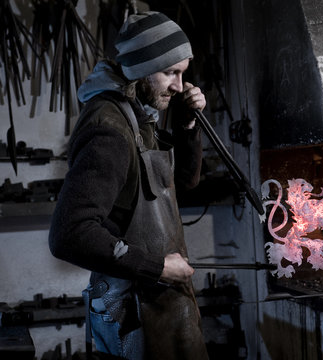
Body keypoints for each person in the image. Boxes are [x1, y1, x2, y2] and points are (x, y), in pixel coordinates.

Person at [49, 11, 209, 360]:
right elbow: (69, 234)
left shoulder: (138, 115)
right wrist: (159, 268)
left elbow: (184, 183)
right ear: (140, 68)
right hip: (133, 309)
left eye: (182, 74)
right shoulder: (109, 128)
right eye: (171, 72)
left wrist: (187, 126)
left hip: (157, 301)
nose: (179, 87)